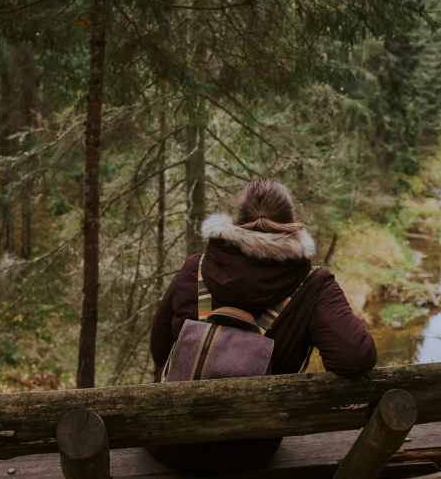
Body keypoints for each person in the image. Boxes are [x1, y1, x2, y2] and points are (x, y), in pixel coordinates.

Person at [147, 179, 377, 473]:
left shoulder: (196, 267)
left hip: (169, 444)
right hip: (247, 454)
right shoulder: (315, 287)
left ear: (236, 223)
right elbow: (355, 356)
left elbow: (160, 348)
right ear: (293, 224)